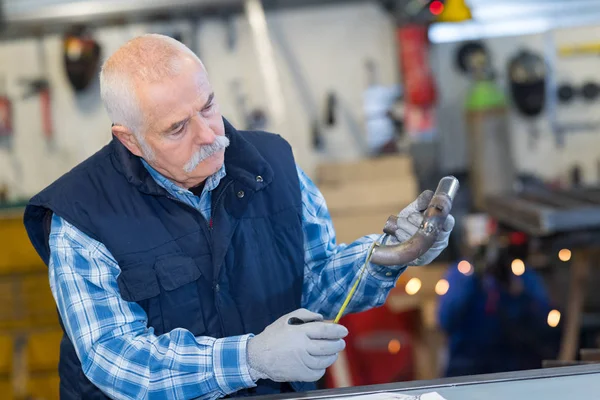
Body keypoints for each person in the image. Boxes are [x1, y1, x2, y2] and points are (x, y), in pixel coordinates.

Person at [23, 34, 454, 400]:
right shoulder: (82, 215)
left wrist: (387, 255)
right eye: (177, 128)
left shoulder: (273, 164)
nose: (211, 135)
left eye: (208, 106)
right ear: (129, 139)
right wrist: (251, 359)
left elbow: (314, 283)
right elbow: (115, 358)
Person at [437, 229, 560, 377]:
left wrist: (520, 295)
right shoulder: (461, 274)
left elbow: (544, 322)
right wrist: (472, 281)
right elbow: (446, 320)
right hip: (466, 364)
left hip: (510, 366)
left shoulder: (521, 275)